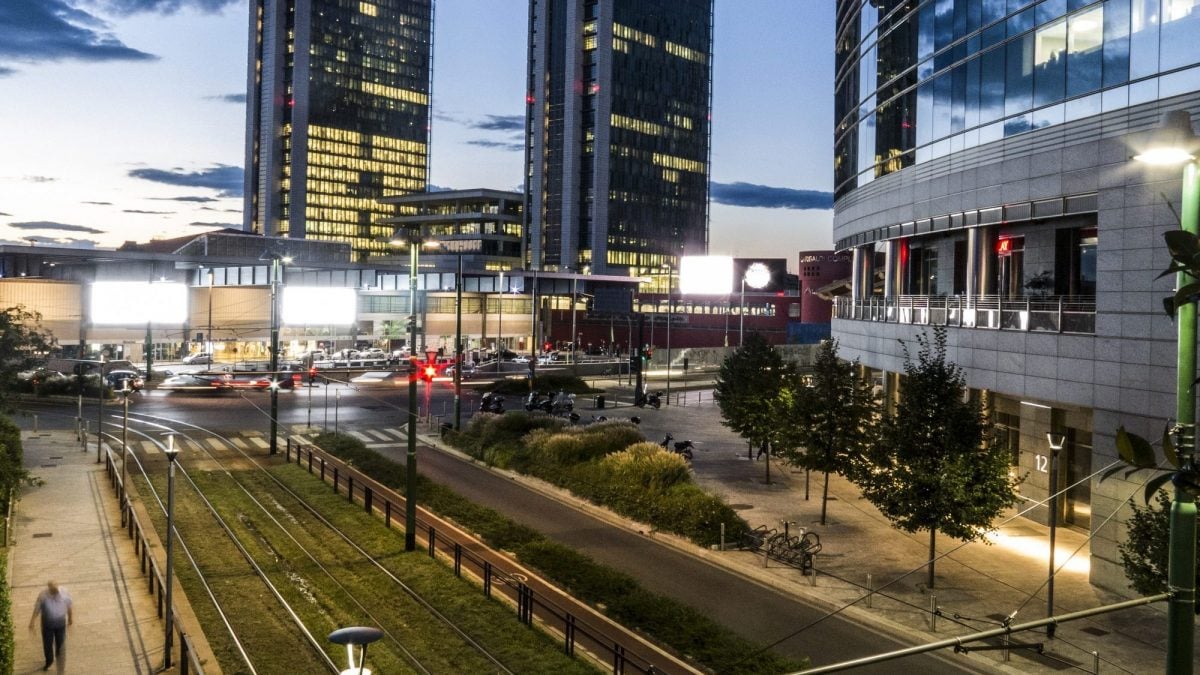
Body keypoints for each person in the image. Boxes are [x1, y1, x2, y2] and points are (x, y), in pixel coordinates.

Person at [29, 580, 72, 672]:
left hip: (60, 624)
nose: (56, 593)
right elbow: (37, 608)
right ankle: (49, 660)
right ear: (49, 589)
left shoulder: (64, 592)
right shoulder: (43, 596)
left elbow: (69, 606)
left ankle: (61, 666)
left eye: (56, 591)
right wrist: (32, 621)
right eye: (53, 591)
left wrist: (70, 618)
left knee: (60, 645)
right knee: (48, 644)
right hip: (47, 625)